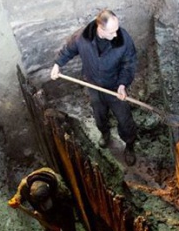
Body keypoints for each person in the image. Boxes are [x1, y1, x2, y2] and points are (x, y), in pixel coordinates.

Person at [50, 9, 138, 166]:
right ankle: (105, 134)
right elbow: (68, 49)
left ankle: (129, 144)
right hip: (93, 85)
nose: (116, 34)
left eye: (117, 29)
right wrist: (57, 64)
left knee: (125, 119)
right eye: (112, 32)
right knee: (99, 114)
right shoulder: (82, 37)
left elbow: (129, 63)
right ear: (100, 29)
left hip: (114, 87)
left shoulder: (123, 40)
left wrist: (123, 84)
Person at [7, 167, 82, 231]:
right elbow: (20, 191)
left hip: (62, 210)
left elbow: (65, 210)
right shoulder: (26, 185)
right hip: (43, 213)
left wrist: (56, 225)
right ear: (31, 194)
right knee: (47, 225)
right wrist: (17, 199)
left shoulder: (61, 190)